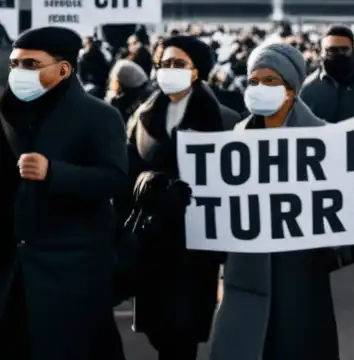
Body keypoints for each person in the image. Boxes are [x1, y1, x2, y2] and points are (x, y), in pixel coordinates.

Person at [209, 42, 354, 360]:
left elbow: (348, 214)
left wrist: (331, 252)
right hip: (244, 275)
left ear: (291, 89)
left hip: (300, 276)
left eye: (270, 81)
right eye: (253, 82)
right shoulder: (235, 138)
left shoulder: (324, 139)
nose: (259, 89)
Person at [0, 26, 129, 359]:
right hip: (14, 267)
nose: (19, 72)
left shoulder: (100, 116)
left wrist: (55, 173)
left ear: (63, 69)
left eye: (30, 64)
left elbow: (114, 179)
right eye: (15, 64)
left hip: (72, 268)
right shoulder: (7, 113)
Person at [125, 34, 240, 359]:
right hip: (152, 238)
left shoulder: (224, 119)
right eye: (163, 64)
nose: (168, 70)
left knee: (182, 331)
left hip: (195, 243)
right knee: (158, 328)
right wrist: (145, 183)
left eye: (178, 64)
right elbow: (128, 168)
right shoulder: (142, 116)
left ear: (196, 71)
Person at [106, 58, 153, 123]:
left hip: (138, 90)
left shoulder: (118, 70)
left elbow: (114, 90)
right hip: (143, 86)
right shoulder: (120, 64)